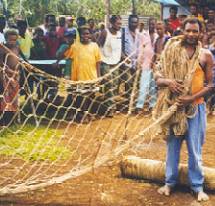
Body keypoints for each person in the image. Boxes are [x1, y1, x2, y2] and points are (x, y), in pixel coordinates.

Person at [155, 17, 213, 202]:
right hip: (175, 108)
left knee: (195, 149)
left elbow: (211, 85)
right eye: (188, 30)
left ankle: (197, 186)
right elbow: (157, 76)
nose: (191, 34)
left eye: (195, 31)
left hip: (195, 108)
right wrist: (169, 82)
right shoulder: (171, 51)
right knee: (173, 146)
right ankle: (169, 183)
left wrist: (191, 98)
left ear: (200, 33)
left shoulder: (205, 55)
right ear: (182, 30)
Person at [64, 26, 101, 123]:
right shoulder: (74, 46)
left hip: (92, 76)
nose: (85, 36)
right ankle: (82, 115)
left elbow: (98, 62)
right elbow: (69, 60)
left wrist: (99, 76)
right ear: (79, 36)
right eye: (83, 34)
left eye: (87, 33)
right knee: (81, 96)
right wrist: (69, 76)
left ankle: (89, 113)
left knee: (91, 95)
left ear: (90, 35)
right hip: (79, 76)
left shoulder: (95, 46)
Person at [97, 15, 122, 117]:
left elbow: (119, 48)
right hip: (105, 62)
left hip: (115, 63)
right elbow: (97, 45)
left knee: (115, 85)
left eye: (120, 23)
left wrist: (124, 57)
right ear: (112, 23)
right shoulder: (105, 33)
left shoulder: (120, 34)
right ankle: (110, 108)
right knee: (109, 84)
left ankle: (108, 105)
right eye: (118, 23)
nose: (119, 25)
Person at [0, 29, 20, 126]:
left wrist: (17, 71)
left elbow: (18, 59)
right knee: (5, 99)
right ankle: (5, 121)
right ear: (6, 38)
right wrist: (11, 72)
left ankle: (13, 119)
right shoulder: (2, 48)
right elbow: (1, 65)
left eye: (14, 40)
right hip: (4, 77)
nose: (12, 42)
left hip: (15, 76)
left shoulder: (16, 47)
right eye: (11, 40)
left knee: (13, 98)